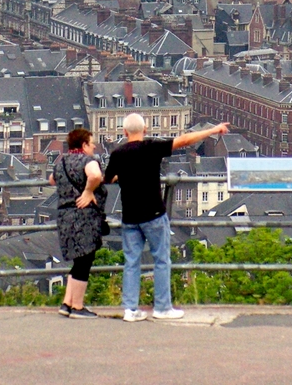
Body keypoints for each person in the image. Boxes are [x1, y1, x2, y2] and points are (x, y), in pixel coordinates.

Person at [104, 114, 229, 322]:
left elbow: (109, 178)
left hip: (130, 216)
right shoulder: (151, 147)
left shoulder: (118, 154)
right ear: (144, 130)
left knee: (131, 262)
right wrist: (213, 130)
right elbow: (185, 140)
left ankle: (130, 309)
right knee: (161, 260)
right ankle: (162, 307)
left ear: (124, 133)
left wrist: (125, 175)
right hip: (153, 213)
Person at [50, 127, 107, 318]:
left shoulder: (61, 162)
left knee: (77, 260)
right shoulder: (88, 161)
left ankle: (66, 303)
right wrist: (88, 191)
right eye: (91, 144)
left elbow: (52, 180)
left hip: (65, 217)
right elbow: (95, 176)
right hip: (84, 217)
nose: (94, 147)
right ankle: (78, 307)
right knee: (85, 260)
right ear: (83, 145)